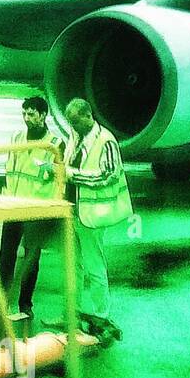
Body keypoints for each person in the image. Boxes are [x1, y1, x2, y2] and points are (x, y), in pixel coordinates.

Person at [0, 94, 62, 322]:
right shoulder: (16, 138)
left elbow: (60, 178)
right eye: (24, 113)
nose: (27, 118)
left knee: (31, 258)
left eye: (31, 114)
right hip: (14, 206)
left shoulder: (55, 144)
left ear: (43, 115)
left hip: (37, 210)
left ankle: (25, 304)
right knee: (5, 256)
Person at [63, 97, 132, 344]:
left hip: (92, 215)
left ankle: (102, 316)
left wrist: (72, 176)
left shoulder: (106, 141)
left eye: (74, 121)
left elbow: (108, 175)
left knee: (94, 267)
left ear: (87, 116)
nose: (71, 125)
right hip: (73, 211)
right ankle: (74, 313)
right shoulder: (76, 136)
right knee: (74, 266)